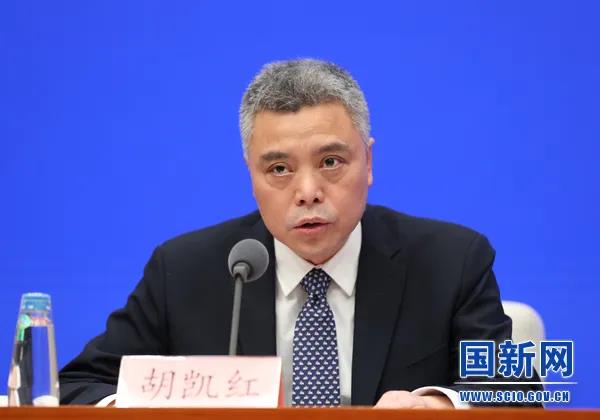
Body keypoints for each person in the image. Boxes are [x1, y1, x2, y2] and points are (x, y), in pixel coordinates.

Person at [59, 59, 541, 408]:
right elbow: (78, 387)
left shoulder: (450, 261)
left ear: (368, 162)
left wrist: (440, 405)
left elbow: (519, 392)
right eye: (279, 169)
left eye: (331, 161)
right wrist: (145, 408)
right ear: (251, 175)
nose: (308, 192)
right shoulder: (185, 271)